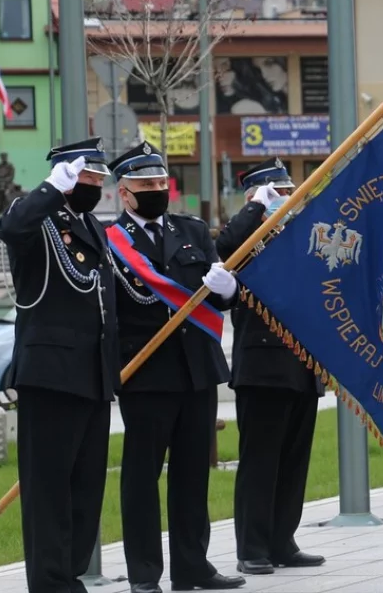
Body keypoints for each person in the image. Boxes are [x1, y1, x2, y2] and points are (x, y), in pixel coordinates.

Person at [106, 141, 245, 593]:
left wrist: (226, 290)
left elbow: (217, 298)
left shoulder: (192, 230)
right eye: (144, 185)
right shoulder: (113, 242)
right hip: (146, 375)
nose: (155, 190)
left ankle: (193, 566)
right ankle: (145, 573)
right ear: (124, 193)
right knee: (142, 478)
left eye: (160, 183)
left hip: (196, 371)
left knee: (192, 474)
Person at [0, 137, 119, 593]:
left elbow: (104, 305)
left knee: (85, 490)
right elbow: (10, 229)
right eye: (88, 176)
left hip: (92, 375)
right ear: (66, 174)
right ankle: (49, 584)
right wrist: (49, 189)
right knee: (48, 491)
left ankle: (71, 577)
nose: (96, 185)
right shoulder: (36, 218)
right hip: (49, 375)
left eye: (99, 179)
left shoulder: (93, 227)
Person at [215, 158, 326, 575]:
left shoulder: (300, 235)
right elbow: (225, 247)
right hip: (263, 365)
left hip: (302, 362)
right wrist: (256, 208)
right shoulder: (248, 239)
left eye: (288, 191)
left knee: (294, 459)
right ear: (256, 196)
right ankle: (253, 547)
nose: (287, 199)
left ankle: (283, 540)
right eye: (277, 192)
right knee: (261, 459)